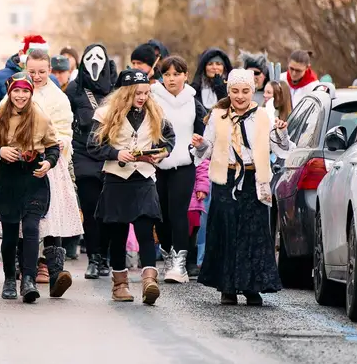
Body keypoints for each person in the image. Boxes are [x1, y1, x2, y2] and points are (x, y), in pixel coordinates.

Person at [0, 50, 83, 289]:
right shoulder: (7, 104)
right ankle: (17, 269)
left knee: (47, 220)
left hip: (47, 165)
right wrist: (2, 150)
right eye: (32, 72)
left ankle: (52, 269)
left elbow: (62, 131)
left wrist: (55, 150)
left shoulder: (57, 98)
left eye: (42, 72)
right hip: (12, 168)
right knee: (15, 225)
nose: (37, 76)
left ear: (49, 70)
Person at [191, 69, 290, 306]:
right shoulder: (218, 116)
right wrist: (201, 144)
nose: (240, 96)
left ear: (252, 91)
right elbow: (207, 148)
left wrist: (281, 131)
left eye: (245, 91)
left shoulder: (263, 116)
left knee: (252, 232)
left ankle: (252, 287)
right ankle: (227, 287)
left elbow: (280, 148)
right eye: (235, 91)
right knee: (226, 229)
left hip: (254, 180)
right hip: (226, 179)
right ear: (229, 91)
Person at [87, 69, 176, 305]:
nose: (143, 97)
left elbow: (169, 139)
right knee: (118, 234)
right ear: (125, 92)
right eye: (138, 93)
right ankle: (120, 284)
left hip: (144, 177)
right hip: (117, 178)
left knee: (145, 230)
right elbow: (93, 146)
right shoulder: (105, 113)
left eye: (146, 92)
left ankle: (149, 280)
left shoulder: (155, 111)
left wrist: (162, 153)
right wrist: (117, 153)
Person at [0, 74, 61, 302]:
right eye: (16, 91)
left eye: (25, 91)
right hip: (9, 177)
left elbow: (53, 147)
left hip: (34, 177)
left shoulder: (41, 118)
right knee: (11, 232)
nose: (21, 96)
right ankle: (8, 279)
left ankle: (29, 280)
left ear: (31, 93)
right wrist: (0, 151)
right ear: (9, 92)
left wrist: (48, 162)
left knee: (32, 228)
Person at [149, 56, 207, 284]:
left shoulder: (193, 101)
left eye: (176, 74)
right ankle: (166, 255)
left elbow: (204, 134)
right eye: (167, 74)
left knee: (179, 212)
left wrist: (197, 147)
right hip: (156, 165)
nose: (171, 79)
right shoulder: (153, 98)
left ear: (185, 75)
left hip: (184, 164)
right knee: (160, 215)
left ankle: (179, 264)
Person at [65, 43, 118, 279]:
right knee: (90, 206)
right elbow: (67, 120)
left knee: (109, 208)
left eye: (100, 57)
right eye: (90, 57)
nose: (95, 62)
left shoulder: (116, 86)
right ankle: (94, 258)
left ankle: (106, 256)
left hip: (112, 153)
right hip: (84, 151)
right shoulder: (75, 88)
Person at [0, 35, 55, 123]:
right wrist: (8, 114)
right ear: (21, 53)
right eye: (33, 55)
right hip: (6, 132)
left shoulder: (51, 80)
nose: (36, 60)